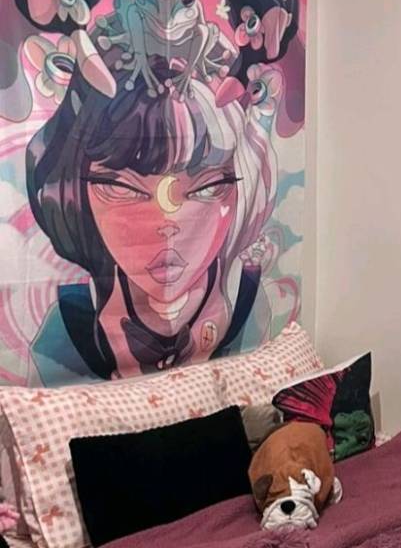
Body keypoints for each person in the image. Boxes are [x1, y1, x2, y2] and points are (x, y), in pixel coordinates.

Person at [25, 60, 277, 384]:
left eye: (207, 188)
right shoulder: (67, 326)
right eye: (123, 189)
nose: (168, 222)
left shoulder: (247, 300)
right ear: (74, 194)